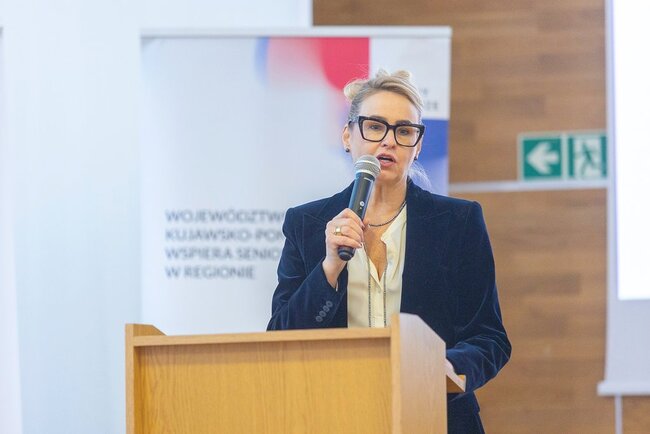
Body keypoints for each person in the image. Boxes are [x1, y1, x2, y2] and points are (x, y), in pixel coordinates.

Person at [267, 69, 511, 433]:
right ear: (348, 136)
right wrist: (329, 266)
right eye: (374, 126)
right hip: (335, 415)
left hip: (434, 414)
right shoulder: (307, 223)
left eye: (404, 131)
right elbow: (280, 338)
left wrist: (447, 367)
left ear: (418, 146)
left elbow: (489, 336)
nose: (388, 141)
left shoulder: (458, 222)